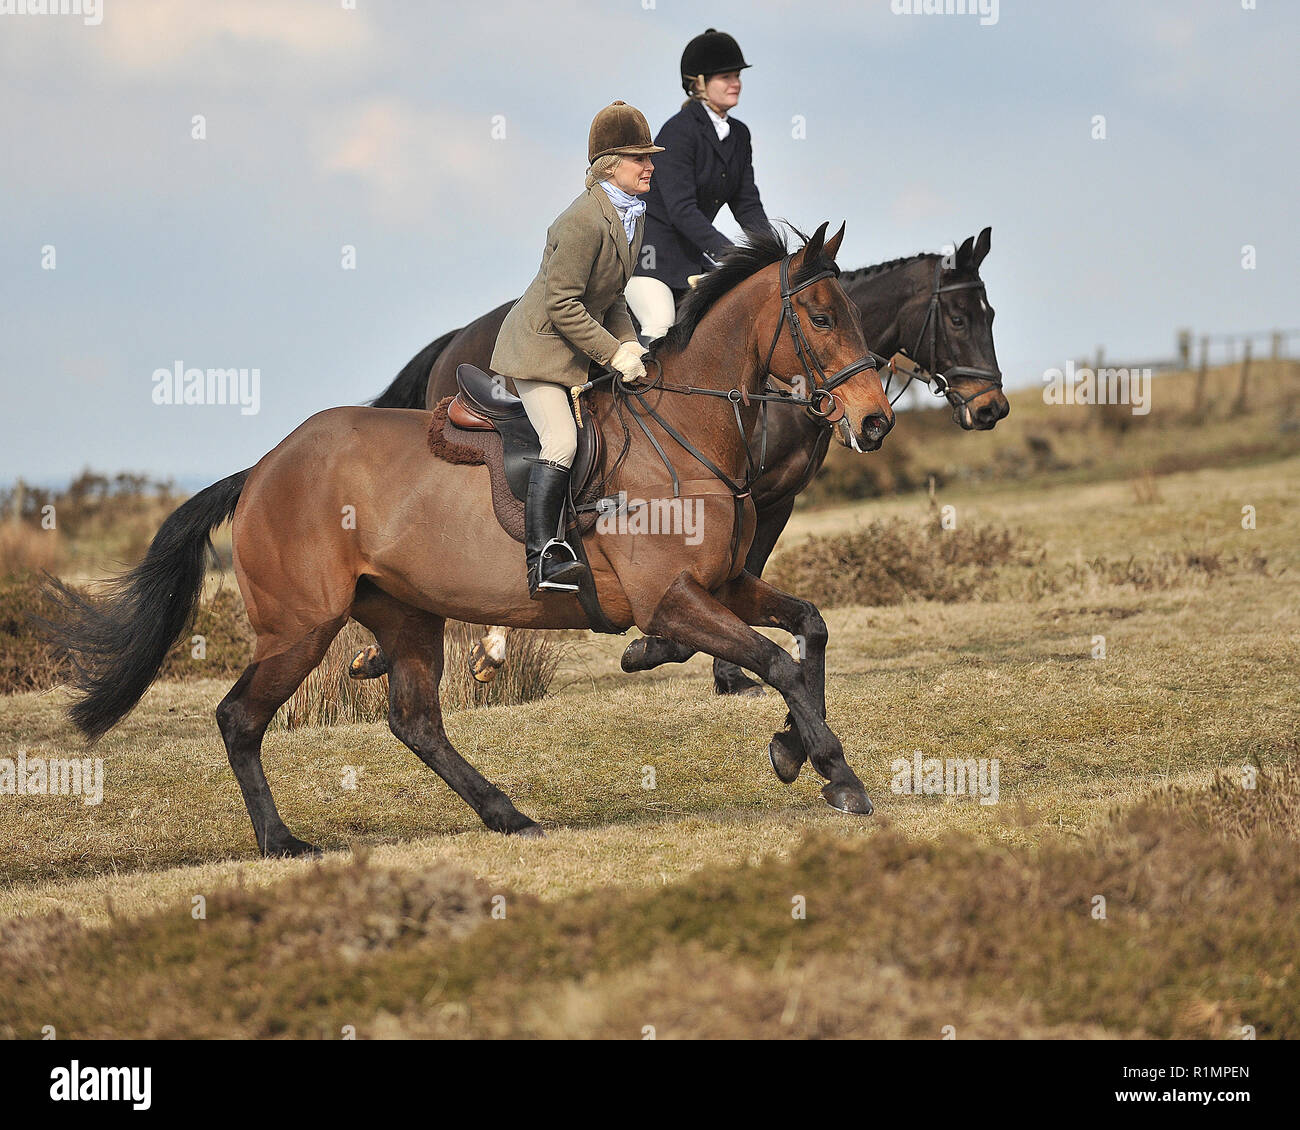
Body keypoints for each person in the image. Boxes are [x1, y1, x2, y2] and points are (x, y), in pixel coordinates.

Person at [490, 101, 663, 597]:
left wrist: (631, 344)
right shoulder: (581, 221)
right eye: (640, 160)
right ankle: (542, 557)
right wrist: (613, 355)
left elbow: (609, 297)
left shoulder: (632, 216)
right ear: (611, 166)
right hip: (540, 352)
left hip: (578, 352)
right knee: (562, 441)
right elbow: (564, 305)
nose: (650, 166)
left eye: (649, 158)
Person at [624, 28, 770, 342]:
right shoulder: (679, 131)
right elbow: (681, 210)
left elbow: (747, 203)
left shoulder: (739, 135)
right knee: (661, 323)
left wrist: (771, 251)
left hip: (691, 258)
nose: (735, 83)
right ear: (699, 83)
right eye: (725, 77)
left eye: (737, 76)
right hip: (649, 258)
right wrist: (733, 255)